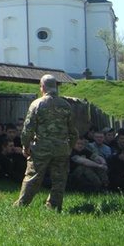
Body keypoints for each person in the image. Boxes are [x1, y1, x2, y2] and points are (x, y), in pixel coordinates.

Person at [14, 74, 78, 211]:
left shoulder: (37, 104)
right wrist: (70, 147)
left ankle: (21, 205)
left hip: (41, 147)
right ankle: (54, 207)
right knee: (59, 179)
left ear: (42, 87)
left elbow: (27, 129)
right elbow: (73, 132)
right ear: (55, 87)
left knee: (33, 177)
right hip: (61, 148)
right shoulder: (66, 105)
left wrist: (25, 146)